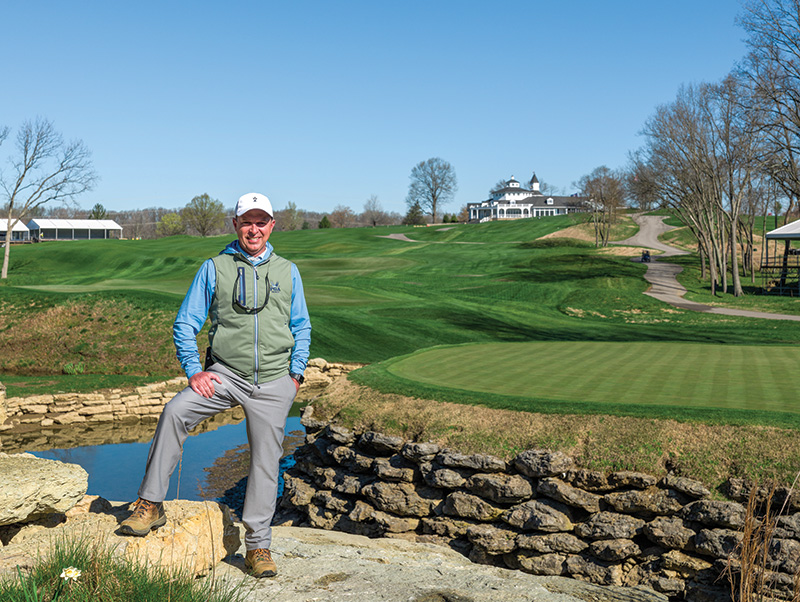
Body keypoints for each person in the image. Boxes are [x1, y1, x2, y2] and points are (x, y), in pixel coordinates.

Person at [119, 192, 311, 579]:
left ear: (272, 225)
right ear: (235, 224)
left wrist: (296, 375)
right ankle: (150, 504)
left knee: (264, 460)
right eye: (246, 221)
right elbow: (185, 323)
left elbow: (301, 326)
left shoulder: (288, 270)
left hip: (275, 380)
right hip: (225, 375)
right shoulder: (215, 267)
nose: (253, 229)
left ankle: (258, 546)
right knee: (175, 410)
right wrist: (194, 370)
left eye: (261, 221)